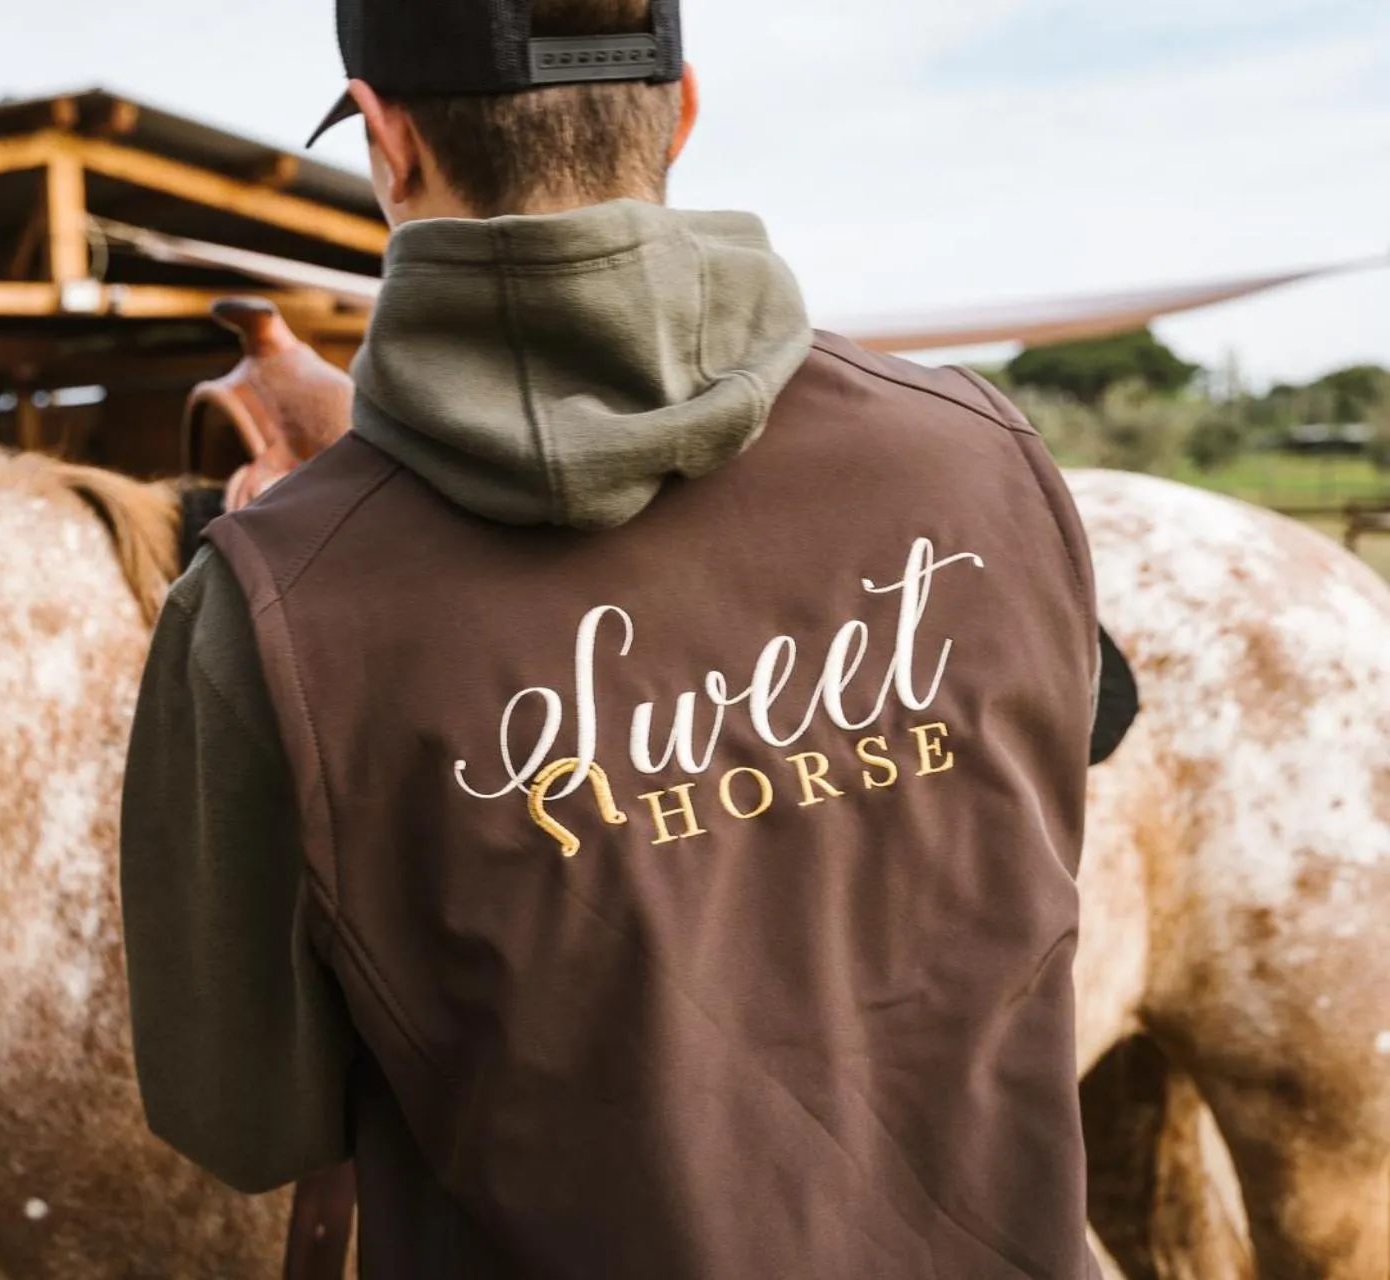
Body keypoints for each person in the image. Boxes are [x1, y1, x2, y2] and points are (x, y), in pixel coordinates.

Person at [120, 1, 1102, 1276]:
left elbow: (244, 1117)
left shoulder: (264, 605)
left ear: (385, 139)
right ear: (682, 108)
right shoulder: (984, 453)